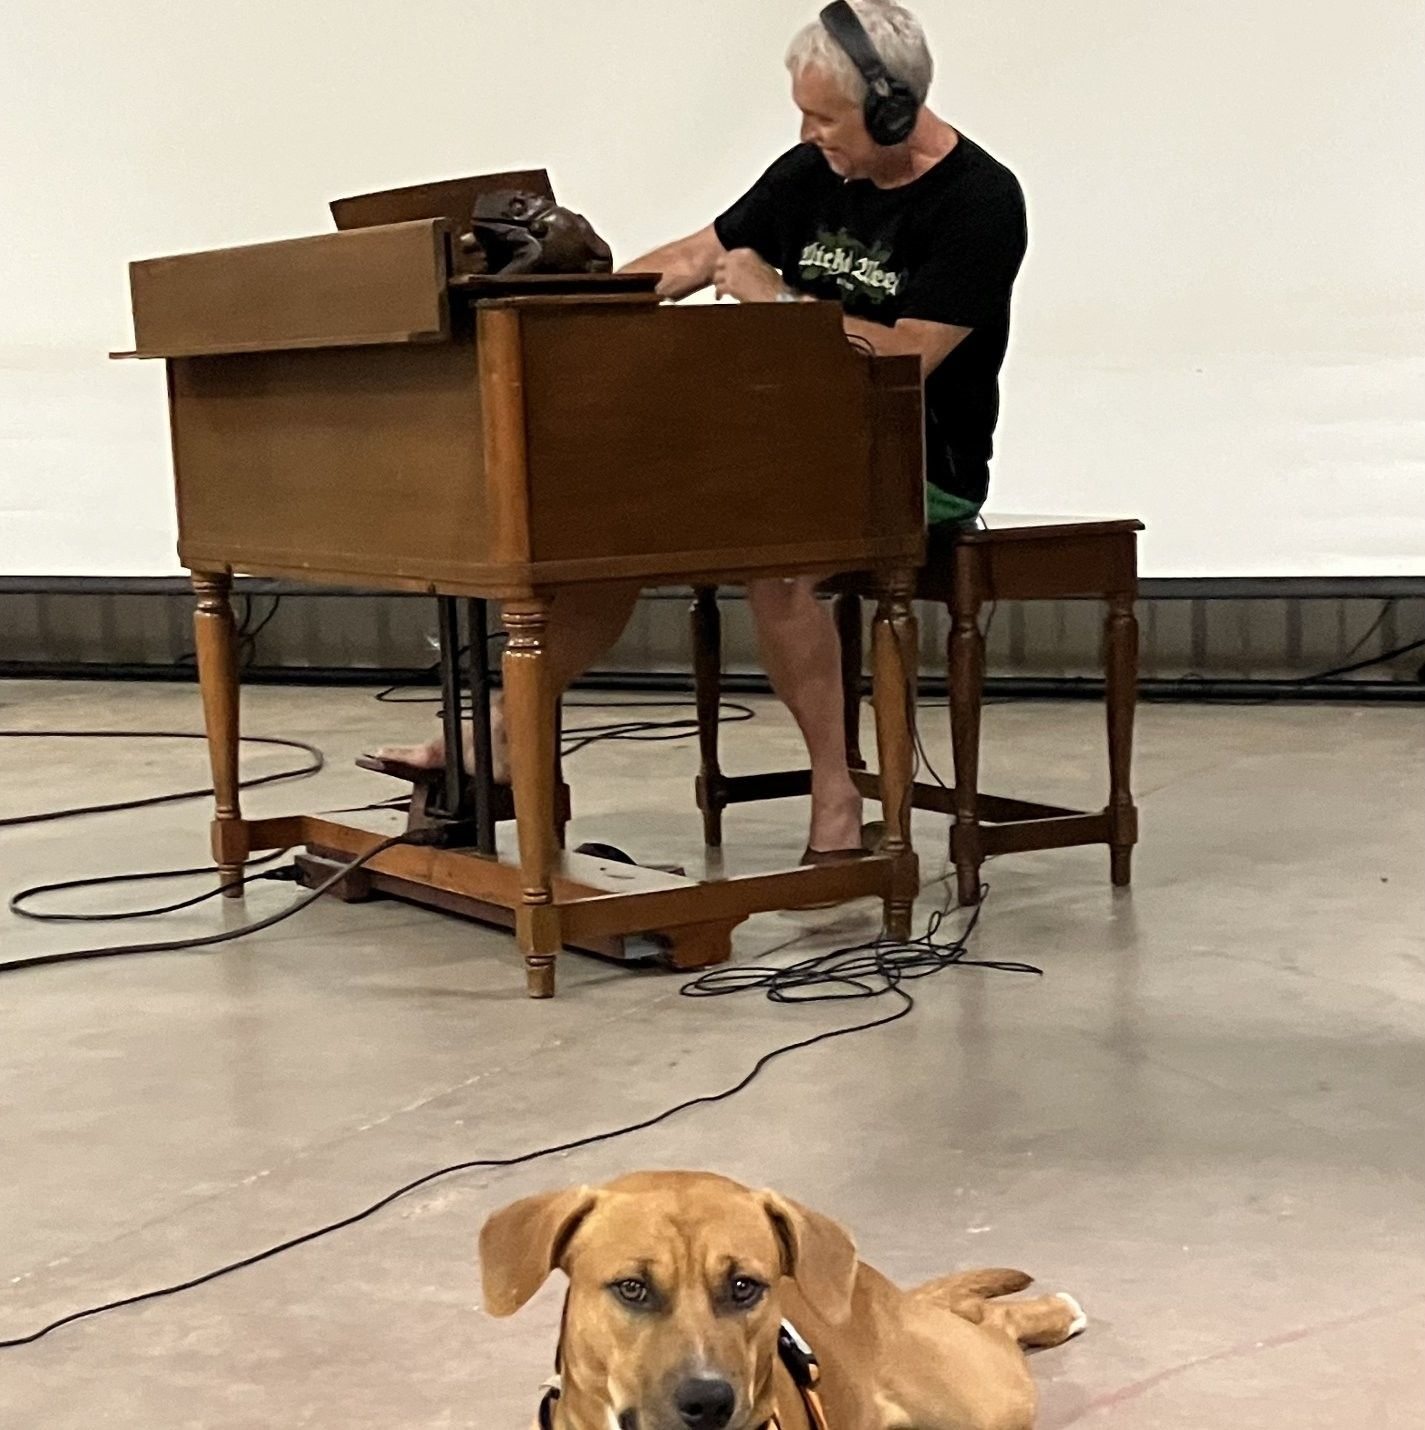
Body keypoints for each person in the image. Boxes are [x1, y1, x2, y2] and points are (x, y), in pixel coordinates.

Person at [374, 0, 1027, 860]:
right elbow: (692, 258)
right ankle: (491, 735)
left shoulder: (980, 202)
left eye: (824, 117)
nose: (807, 134)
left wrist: (779, 302)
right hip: (786, 452)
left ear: (892, 111)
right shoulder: (809, 176)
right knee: (608, 527)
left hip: (917, 460)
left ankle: (835, 801)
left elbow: (901, 364)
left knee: (780, 557)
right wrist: (556, 309)